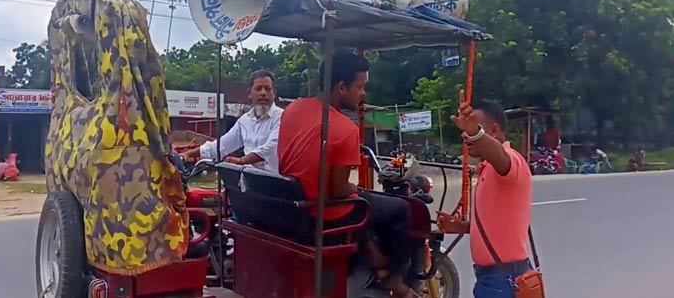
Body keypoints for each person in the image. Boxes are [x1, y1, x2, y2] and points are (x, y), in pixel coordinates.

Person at [278, 51, 415, 298]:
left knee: (365, 203)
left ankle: (374, 259)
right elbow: (340, 190)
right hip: (321, 213)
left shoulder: (292, 109)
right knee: (400, 209)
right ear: (341, 87)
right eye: (360, 87)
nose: (363, 94)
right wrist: (359, 191)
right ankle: (394, 278)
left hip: (291, 206)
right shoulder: (345, 129)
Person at [437, 93, 533, 298]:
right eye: (465, 131)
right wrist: (461, 226)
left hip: (503, 279)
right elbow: (497, 225)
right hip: (495, 278)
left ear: (495, 131)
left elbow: (498, 154)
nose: (465, 136)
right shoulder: (487, 167)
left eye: (475, 128)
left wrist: (475, 133)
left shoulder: (510, 161)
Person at [181, 70, 282, 173]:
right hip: (247, 179)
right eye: (258, 89)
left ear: (274, 93)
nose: (263, 93)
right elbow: (222, 145)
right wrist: (188, 154)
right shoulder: (244, 121)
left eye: (268, 89)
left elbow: (271, 148)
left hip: (273, 180)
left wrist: (241, 161)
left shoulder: (282, 117)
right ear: (250, 94)